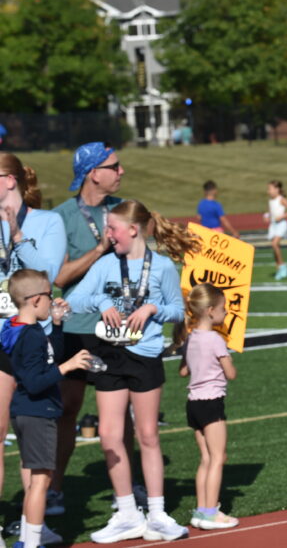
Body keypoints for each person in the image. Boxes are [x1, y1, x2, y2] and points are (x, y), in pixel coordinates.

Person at [67, 199, 199, 542]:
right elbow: (75, 300)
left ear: (133, 230)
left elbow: (177, 311)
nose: (108, 235)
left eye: (112, 228)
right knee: (110, 436)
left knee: (147, 435)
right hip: (109, 355)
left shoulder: (163, 267)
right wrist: (103, 302)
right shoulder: (105, 264)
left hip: (145, 355)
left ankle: (157, 513)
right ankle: (127, 513)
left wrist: (153, 307)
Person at [51, 142, 128, 516]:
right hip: (76, 327)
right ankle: (54, 488)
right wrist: (100, 249)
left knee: (120, 412)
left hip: (118, 327)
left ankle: (128, 492)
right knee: (67, 410)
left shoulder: (123, 209)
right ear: (93, 172)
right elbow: (60, 276)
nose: (121, 172)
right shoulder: (62, 217)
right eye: (115, 166)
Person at [0, 153, 68, 528]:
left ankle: (31, 529)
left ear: (10, 180)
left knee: (29, 446)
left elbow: (47, 274)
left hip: (30, 342)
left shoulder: (48, 221)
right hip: (0, 338)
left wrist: (16, 236)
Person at [0, 270, 92, 548]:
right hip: (37, 412)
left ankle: (29, 539)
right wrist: (68, 367)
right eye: (50, 297)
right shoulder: (30, 336)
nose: (53, 301)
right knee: (41, 482)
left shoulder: (21, 330)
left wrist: (57, 324)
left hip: (27, 411)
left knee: (36, 480)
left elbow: (49, 356)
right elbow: (35, 380)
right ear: (37, 299)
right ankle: (31, 542)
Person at [176, 283, 239, 530]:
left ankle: (201, 511)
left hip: (193, 403)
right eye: (223, 308)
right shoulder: (215, 339)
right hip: (212, 402)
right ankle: (211, 512)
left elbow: (183, 371)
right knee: (218, 457)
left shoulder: (191, 337)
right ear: (211, 310)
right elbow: (230, 373)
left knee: (205, 457)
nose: (225, 313)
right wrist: (228, 357)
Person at [265, 181, 287, 280]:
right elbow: (270, 212)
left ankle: (283, 266)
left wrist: (281, 217)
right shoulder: (270, 200)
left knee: (274, 244)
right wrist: (267, 216)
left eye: (270, 189)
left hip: (281, 224)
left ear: (277, 189)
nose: (268, 191)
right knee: (274, 246)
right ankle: (279, 268)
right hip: (273, 225)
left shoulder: (281, 199)